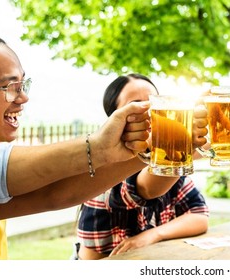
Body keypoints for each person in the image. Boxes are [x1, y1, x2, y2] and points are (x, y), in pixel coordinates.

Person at [0, 29, 208, 259]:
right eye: (9, 87)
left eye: (23, 85)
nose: (23, 98)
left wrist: (168, 142)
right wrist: (101, 147)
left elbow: (55, 193)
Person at [75, 74, 209, 260]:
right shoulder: (105, 169)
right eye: (137, 105)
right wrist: (180, 143)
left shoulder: (161, 160)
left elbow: (198, 215)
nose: (150, 112)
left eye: (154, 102)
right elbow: (145, 188)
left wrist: (153, 234)